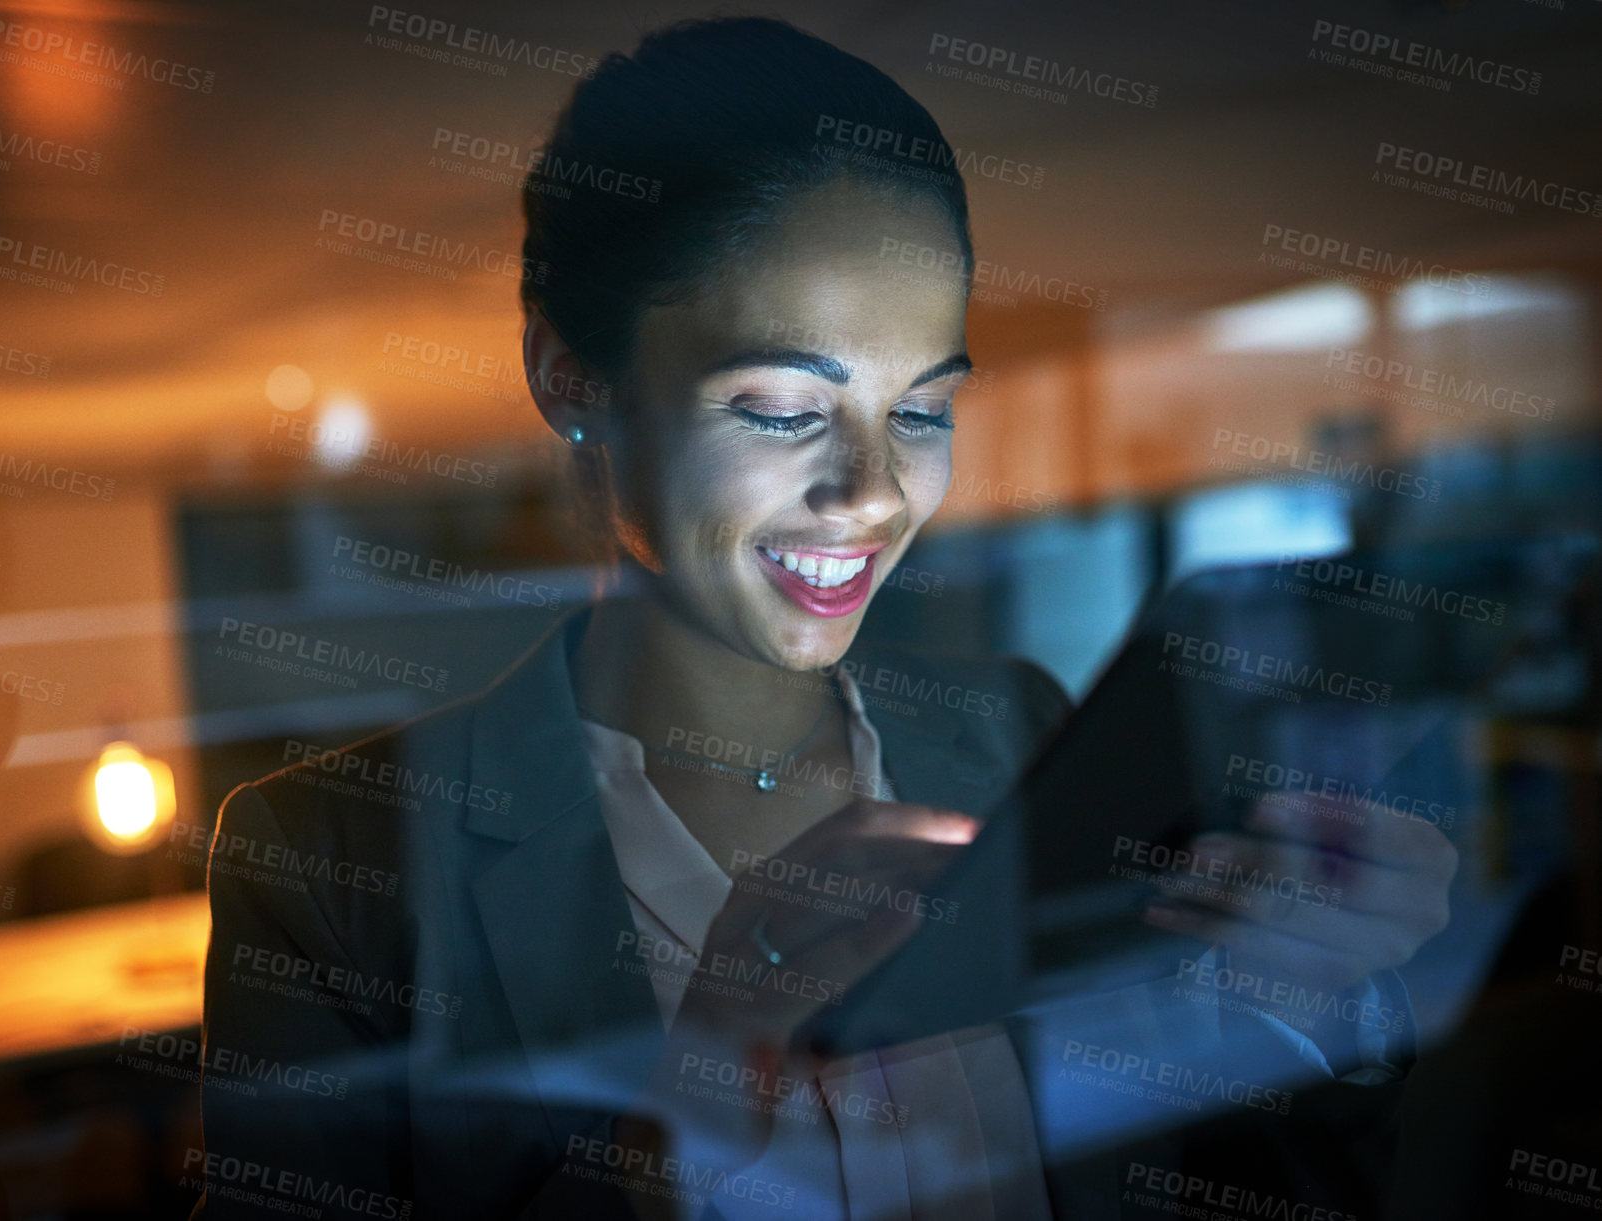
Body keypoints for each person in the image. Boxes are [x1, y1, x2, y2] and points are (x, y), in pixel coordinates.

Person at [195, 17, 1457, 1219]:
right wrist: (674, 1145)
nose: (872, 495)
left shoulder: (1014, 727)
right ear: (571, 377)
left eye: (922, 411)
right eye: (784, 408)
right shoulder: (326, 870)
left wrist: (1304, 1011)